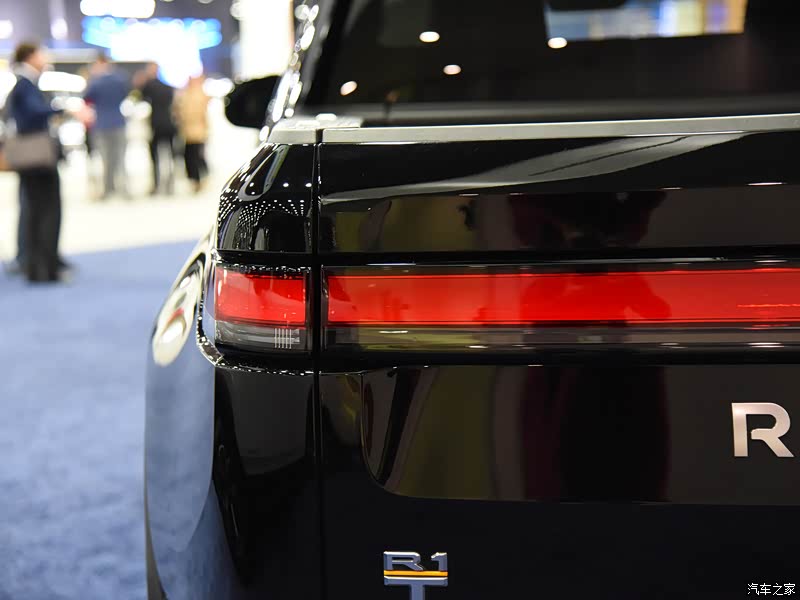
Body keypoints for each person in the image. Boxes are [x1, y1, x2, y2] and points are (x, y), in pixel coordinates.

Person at [6, 42, 76, 282]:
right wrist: (61, 110)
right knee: (44, 211)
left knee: (34, 210)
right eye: (41, 53)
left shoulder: (24, 82)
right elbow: (33, 113)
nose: (45, 57)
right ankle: (43, 268)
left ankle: (38, 265)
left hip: (31, 158)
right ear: (30, 56)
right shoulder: (25, 84)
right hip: (37, 158)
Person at [84, 53, 130, 199]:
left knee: (105, 159)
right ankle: (124, 190)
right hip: (118, 122)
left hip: (101, 124)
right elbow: (126, 94)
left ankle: (108, 190)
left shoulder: (96, 81)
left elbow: (87, 97)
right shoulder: (120, 78)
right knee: (120, 158)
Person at [137, 62, 176, 195]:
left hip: (155, 125)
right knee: (170, 155)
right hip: (169, 124)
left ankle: (156, 184)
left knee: (155, 157)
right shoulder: (167, 87)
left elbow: (140, 98)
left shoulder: (148, 86)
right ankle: (170, 184)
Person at [174, 75, 209, 192]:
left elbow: (200, 114)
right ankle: (195, 179)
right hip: (188, 131)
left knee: (195, 156)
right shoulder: (186, 94)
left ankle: (199, 179)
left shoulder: (198, 94)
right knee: (189, 156)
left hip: (197, 131)